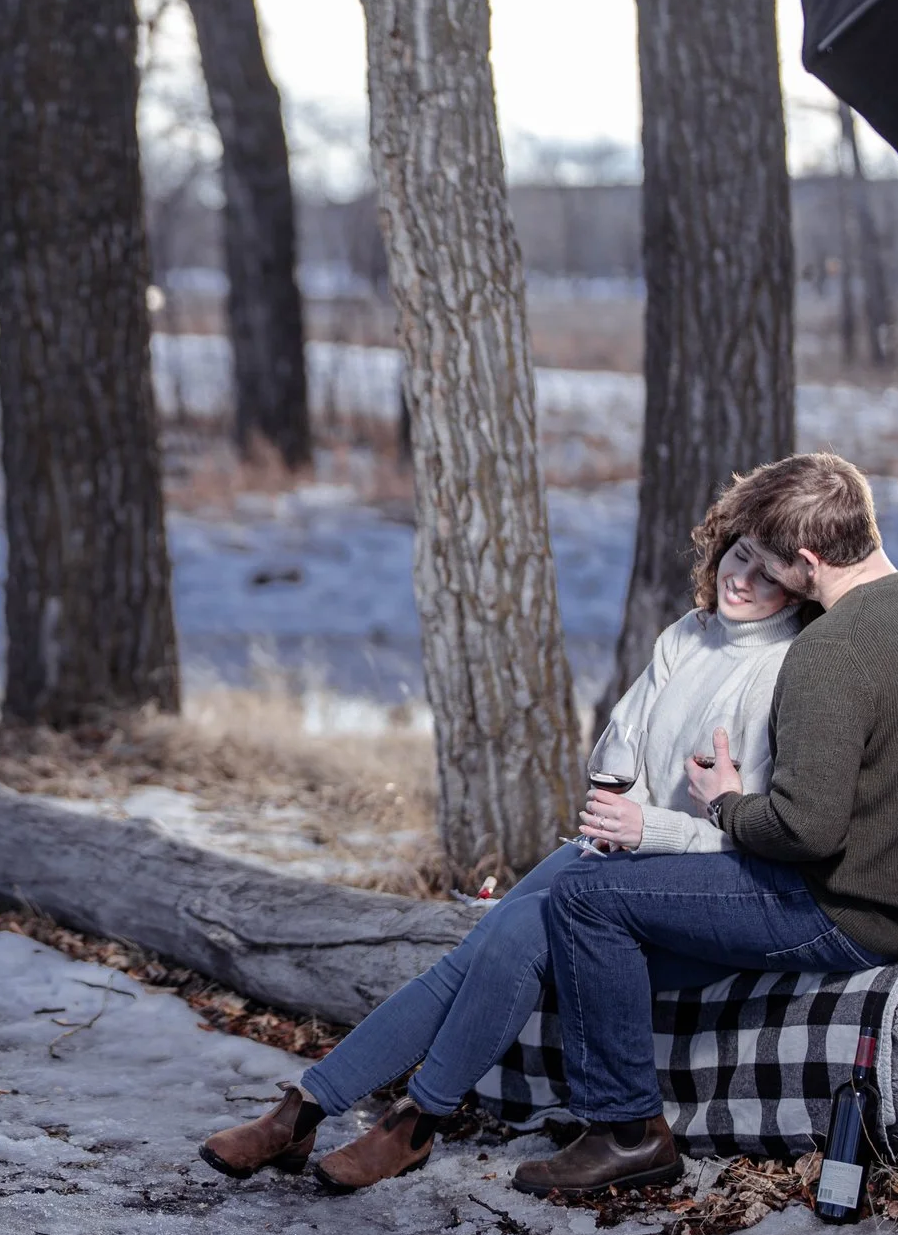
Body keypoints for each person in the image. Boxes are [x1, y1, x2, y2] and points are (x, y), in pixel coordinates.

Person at [198, 488, 807, 1192]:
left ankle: (404, 1119)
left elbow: (747, 832)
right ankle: (310, 1110)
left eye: (767, 574)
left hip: (688, 886)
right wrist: (620, 802)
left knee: (516, 933)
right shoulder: (687, 635)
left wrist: (654, 825)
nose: (741, 578)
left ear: (796, 590)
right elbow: (623, 743)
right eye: (738, 556)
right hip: (622, 851)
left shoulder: (783, 671)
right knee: (478, 951)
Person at [512, 452, 898, 1198]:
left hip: (850, 912)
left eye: (767, 561)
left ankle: (626, 1133)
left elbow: (804, 833)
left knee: (587, 897)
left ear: (806, 560)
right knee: (612, 937)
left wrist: (724, 800)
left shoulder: (828, 650)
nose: (752, 574)